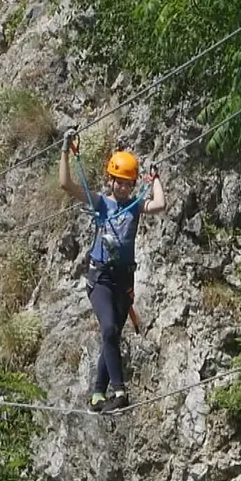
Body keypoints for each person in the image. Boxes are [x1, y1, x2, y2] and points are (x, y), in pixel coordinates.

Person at [57, 130, 167, 413]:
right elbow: (66, 185)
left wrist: (155, 181)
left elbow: (160, 205)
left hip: (123, 280)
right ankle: (120, 390)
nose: (123, 188)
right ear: (111, 181)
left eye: (129, 184)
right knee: (108, 329)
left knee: (112, 336)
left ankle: (97, 395)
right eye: (119, 182)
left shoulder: (134, 206)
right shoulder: (101, 204)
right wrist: (65, 152)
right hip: (101, 279)